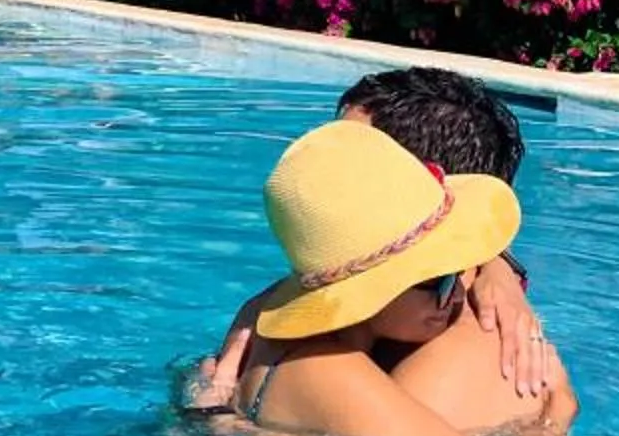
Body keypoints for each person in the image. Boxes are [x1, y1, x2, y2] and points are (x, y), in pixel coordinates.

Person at [219, 116, 576, 436]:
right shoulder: (334, 373)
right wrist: (559, 413)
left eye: (460, 271)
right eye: (437, 280)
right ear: (368, 294)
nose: (456, 294)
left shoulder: (266, 335)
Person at [190, 65, 550, 411]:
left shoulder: (440, 365)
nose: (325, 161)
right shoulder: (398, 303)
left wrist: (219, 427)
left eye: (348, 151)